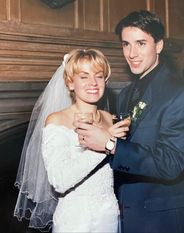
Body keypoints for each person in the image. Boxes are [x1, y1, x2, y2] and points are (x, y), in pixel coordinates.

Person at [76, 10, 184, 233]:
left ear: (159, 46)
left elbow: (170, 164)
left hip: (164, 220)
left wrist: (110, 144)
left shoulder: (183, 95)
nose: (132, 53)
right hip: (127, 214)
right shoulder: (125, 94)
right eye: (126, 44)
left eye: (141, 43)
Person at [14, 48, 129, 232]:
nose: (93, 83)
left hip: (109, 217)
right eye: (84, 77)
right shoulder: (56, 120)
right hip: (75, 221)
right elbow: (59, 180)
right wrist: (107, 144)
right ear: (70, 83)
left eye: (99, 76)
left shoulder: (110, 118)